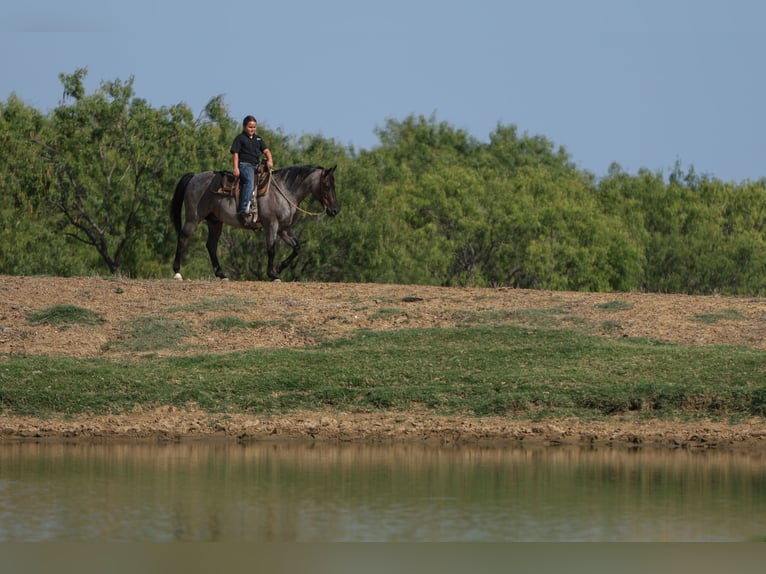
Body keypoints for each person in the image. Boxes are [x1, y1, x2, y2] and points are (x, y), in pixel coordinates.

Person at [230, 115, 273, 226]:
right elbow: (235, 154)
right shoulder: (240, 138)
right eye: (250, 127)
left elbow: (266, 151)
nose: (252, 129)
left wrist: (270, 160)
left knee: (270, 180)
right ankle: (243, 208)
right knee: (249, 181)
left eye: (254, 127)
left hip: (256, 166)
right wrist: (235, 168)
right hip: (245, 165)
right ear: (244, 127)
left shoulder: (258, 139)